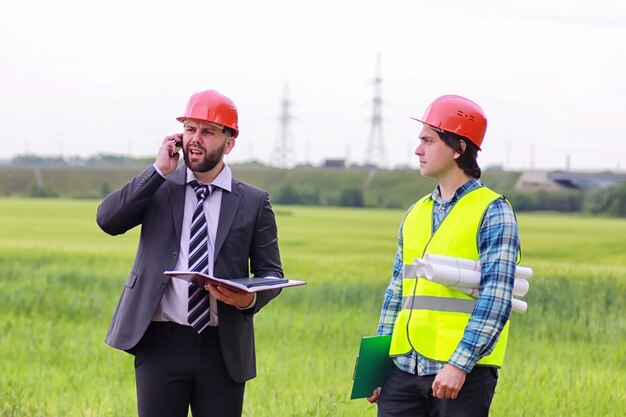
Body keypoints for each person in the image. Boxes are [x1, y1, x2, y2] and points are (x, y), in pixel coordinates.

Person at [96, 89, 283, 417]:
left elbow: (272, 274)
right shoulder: (159, 187)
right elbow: (108, 220)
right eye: (190, 129)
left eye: (208, 131)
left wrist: (247, 300)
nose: (195, 139)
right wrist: (157, 171)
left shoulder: (253, 202)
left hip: (222, 346)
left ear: (229, 143)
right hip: (160, 341)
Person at [368, 95, 520, 417]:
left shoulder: (493, 211)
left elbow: (496, 298)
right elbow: (396, 294)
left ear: (458, 148)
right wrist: (376, 366)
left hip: (459, 375)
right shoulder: (415, 213)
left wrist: (459, 364)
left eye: (428, 140)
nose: (417, 150)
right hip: (402, 370)